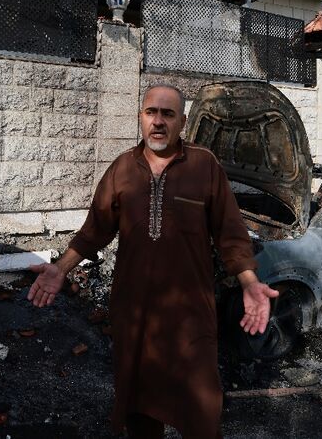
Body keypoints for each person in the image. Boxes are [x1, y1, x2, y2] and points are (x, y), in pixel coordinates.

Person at [27, 84, 278, 438]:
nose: (158, 122)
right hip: (135, 314)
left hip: (191, 314)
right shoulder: (122, 170)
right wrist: (60, 268)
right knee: (139, 410)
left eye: (168, 114)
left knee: (202, 409)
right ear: (140, 118)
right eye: (151, 113)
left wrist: (250, 283)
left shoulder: (204, 166)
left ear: (183, 122)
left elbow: (231, 234)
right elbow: (94, 230)